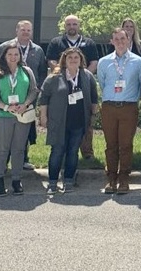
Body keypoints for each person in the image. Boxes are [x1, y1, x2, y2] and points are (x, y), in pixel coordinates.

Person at [39, 48, 99, 195]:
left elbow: (94, 96)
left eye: (76, 58)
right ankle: (52, 182)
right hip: (59, 122)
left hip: (78, 122)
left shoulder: (87, 76)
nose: (73, 60)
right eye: (70, 57)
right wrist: (43, 116)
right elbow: (44, 98)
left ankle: (68, 181)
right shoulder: (54, 77)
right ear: (64, 60)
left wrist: (94, 114)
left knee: (72, 152)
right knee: (57, 152)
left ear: (81, 60)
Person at [0, 20, 48, 170]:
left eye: (28, 30)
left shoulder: (37, 50)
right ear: (16, 30)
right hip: (5, 99)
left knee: (25, 127)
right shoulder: (5, 47)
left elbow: (42, 71)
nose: (26, 33)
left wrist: (37, 89)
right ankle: (3, 162)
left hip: (28, 98)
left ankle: (23, 158)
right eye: (23, 30)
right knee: (4, 132)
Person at [97, 28, 141, 194]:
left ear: (128, 40)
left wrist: (134, 100)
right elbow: (103, 84)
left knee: (125, 144)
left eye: (122, 39)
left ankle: (124, 178)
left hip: (128, 107)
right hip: (109, 106)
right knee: (111, 144)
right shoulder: (103, 62)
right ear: (112, 41)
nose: (119, 42)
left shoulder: (139, 62)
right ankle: (111, 177)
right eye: (116, 39)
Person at [0, 43, 39, 196]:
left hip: (22, 116)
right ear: (4, 56)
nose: (13, 57)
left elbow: (34, 90)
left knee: (19, 149)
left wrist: (25, 104)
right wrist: (5, 106)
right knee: (2, 149)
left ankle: (16, 179)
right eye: (10, 54)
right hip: (3, 116)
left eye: (16, 54)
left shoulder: (26, 71)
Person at [46, 15, 100, 160]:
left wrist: (83, 75)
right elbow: (51, 60)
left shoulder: (88, 42)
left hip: (83, 83)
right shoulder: (56, 42)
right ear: (65, 26)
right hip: (62, 84)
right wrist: (64, 73)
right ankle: (62, 151)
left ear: (79, 26)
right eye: (69, 24)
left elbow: (94, 61)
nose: (72, 26)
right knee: (63, 119)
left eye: (74, 24)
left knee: (85, 119)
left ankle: (87, 152)